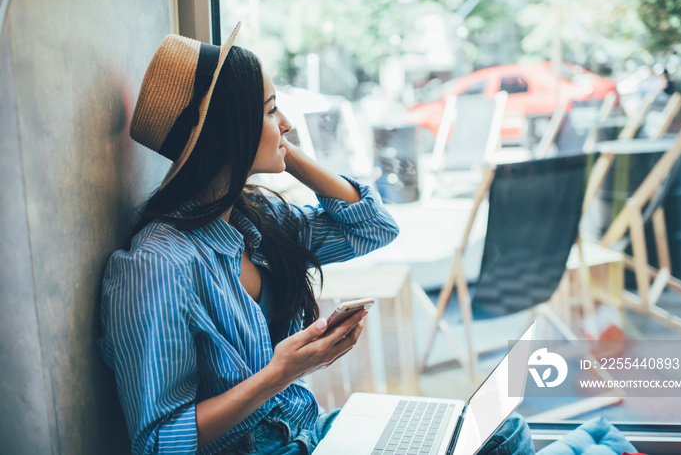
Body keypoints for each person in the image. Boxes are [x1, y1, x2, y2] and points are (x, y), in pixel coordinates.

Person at [98, 24, 534, 455]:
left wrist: (280, 152)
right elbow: (157, 442)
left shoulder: (257, 219)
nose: (287, 124)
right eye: (271, 111)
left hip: (309, 432)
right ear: (227, 131)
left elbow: (372, 228)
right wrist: (280, 373)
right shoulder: (157, 264)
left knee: (501, 431)